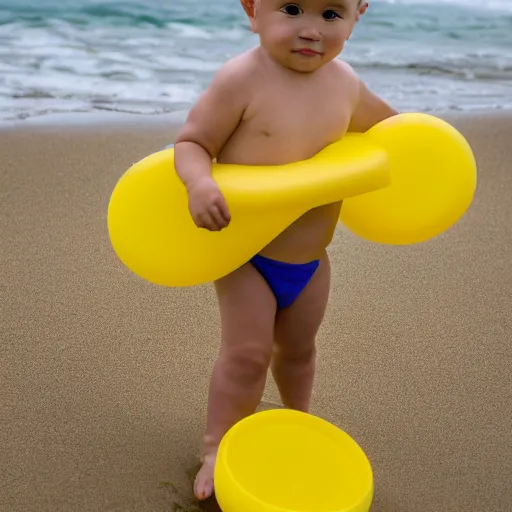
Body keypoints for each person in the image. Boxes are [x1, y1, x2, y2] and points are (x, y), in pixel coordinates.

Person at [173, 0, 397, 501]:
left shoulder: (346, 85)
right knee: (247, 356)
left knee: (298, 353)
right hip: (247, 254)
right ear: (253, 9)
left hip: (312, 261)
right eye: (292, 9)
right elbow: (192, 141)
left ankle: (299, 426)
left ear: (359, 14)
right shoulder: (241, 80)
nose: (311, 30)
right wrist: (198, 183)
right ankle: (217, 447)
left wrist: (429, 159)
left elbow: (394, 134)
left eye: (331, 14)